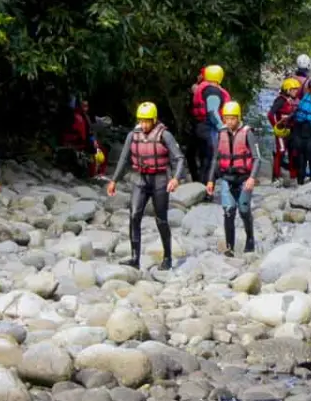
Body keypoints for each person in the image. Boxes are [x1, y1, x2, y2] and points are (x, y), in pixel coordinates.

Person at [106, 101, 185, 269]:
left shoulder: (165, 135)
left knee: (161, 219)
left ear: (154, 120)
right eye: (141, 120)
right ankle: (135, 258)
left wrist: (175, 178)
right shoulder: (133, 135)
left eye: (147, 121)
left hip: (159, 179)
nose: (144, 124)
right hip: (140, 179)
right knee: (134, 215)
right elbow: (124, 159)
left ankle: (168, 257)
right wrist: (114, 180)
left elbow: (179, 159)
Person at [206, 101, 261, 254]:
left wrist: (252, 178)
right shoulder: (221, 133)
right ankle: (229, 247)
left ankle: (250, 240)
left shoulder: (248, 133)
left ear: (238, 118)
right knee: (229, 212)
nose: (229, 122)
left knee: (244, 211)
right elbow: (216, 159)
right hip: (227, 178)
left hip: (244, 178)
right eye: (226, 118)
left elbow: (257, 158)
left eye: (232, 118)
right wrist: (211, 180)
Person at [187, 64, 232, 179]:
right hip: (208, 129)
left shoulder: (203, 88)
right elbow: (212, 112)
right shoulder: (213, 91)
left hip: (198, 126)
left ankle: (197, 182)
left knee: (196, 156)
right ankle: (205, 189)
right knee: (208, 160)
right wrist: (222, 127)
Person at [58, 95, 103, 178]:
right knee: (98, 151)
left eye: (86, 106)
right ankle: (94, 174)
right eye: (84, 106)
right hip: (79, 142)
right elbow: (86, 134)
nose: (86, 108)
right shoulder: (80, 117)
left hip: (68, 141)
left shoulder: (66, 113)